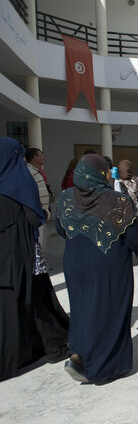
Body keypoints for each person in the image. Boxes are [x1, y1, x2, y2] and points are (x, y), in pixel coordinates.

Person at [55, 154, 138, 383]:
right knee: (110, 313)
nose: (108, 174)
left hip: (75, 263)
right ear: (99, 174)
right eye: (106, 170)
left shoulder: (66, 198)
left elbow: (60, 228)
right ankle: (102, 369)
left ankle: (78, 354)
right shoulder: (117, 201)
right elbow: (134, 237)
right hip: (108, 265)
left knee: (82, 310)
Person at [1, 138, 66, 380]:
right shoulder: (19, 181)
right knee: (37, 299)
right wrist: (45, 213)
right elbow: (34, 218)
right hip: (22, 253)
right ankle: (50, 347)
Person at [114, 159, 138, 265]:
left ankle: (129, 257)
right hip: (137, 213)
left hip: (125, 215)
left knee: (126, 236)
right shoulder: (137, 180)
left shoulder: (117, 182)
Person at [25, 147, 51, 253]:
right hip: (37, 210)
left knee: (43, 238)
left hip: (43, 210)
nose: (43, 157)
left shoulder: (37, 171)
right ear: (34, 157)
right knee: (38, 239)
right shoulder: (28, 171)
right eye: (40, 154)